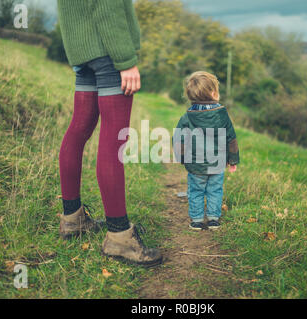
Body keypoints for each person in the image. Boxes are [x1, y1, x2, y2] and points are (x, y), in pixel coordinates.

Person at [56, 0, 162, 267]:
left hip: (82, 51)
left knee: (78, 129)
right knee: (114, 141)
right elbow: (107, 7)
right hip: (106, 51)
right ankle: (119, 237)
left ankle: (73, 219)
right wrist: (125, 60)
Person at [174, 71, 240, 230]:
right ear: (213, 93)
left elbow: (179, 139)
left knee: (196, 190)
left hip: (195, 164)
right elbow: (231, 138)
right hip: (217, 163)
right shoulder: (222, 115)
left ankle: (196, 220)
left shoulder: (187, 117)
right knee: (215, 190)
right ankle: (213, 219)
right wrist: (233, 160)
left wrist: (182, 158)